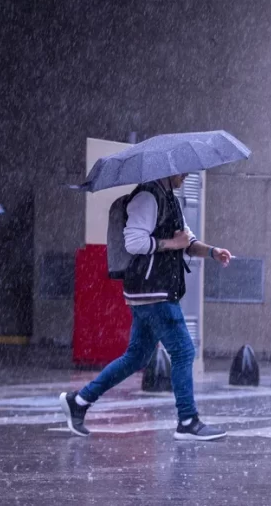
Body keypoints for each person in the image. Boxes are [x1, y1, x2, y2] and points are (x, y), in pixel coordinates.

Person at [60, 173, 232, 441]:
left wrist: (212, 251)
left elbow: (187, 242)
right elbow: (135, 243)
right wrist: (172, 243)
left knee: (136, 358)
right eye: (182, 171)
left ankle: (79, 401)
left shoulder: (169, 199)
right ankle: (187, 420)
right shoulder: (146, 197)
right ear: (168, 169)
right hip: (153, 292)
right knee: (184, 351)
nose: (186, 175)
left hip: (155, 292)